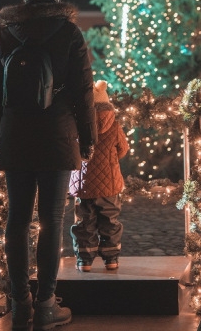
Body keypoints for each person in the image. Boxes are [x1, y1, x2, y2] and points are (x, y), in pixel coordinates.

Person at [0, 0, 96, 331]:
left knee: (17, 220)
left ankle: (20, 305)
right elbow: (83, 92)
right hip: (57, 135)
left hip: (16, 135)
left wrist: (1, 137)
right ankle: (47, 305)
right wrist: (88, 139)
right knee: (52, 220)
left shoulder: (7, 34)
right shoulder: (69, 32)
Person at [70, 80, 129, 272]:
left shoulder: (76, 124)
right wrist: (110, 160)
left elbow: (71, 150)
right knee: (110, 221)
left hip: (83, 184)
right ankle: (111, 259)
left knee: (84, 223)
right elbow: (123, 149)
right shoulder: (114, 125)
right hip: (109, 184)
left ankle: (84, 261)